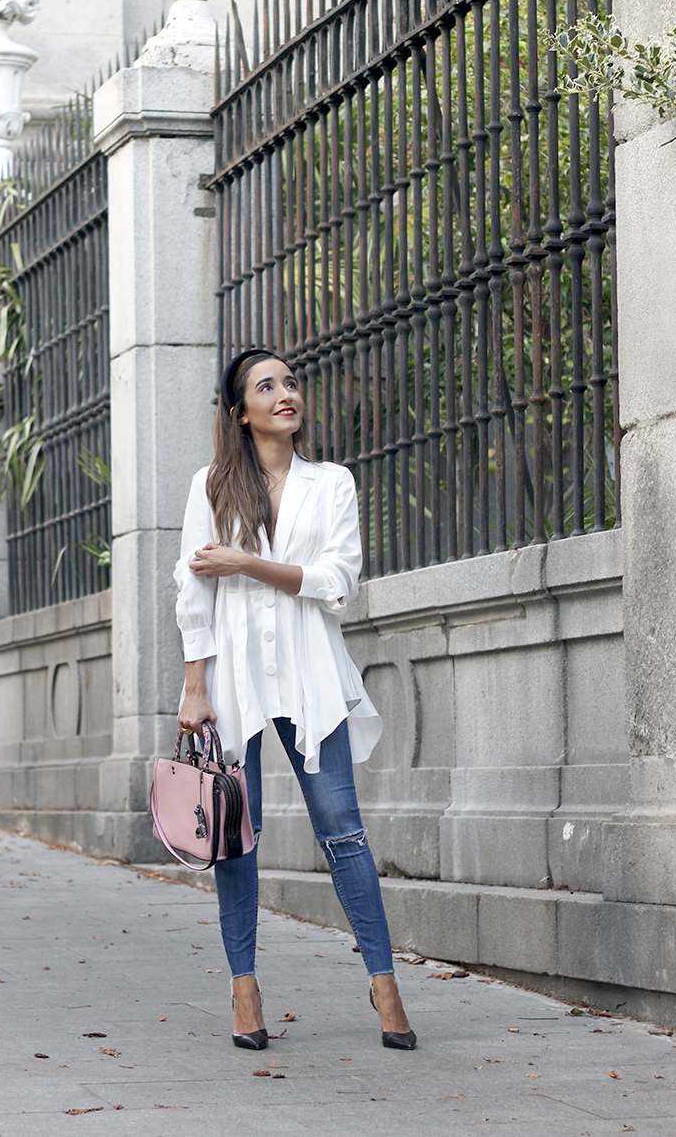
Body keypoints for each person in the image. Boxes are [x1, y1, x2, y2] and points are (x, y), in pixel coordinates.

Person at [173, 348, 416, 1052]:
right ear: (241, 411)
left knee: (342, 828)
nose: (286, 394)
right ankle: (244, 990)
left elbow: (338, 582)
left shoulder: (331, 483)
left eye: (290, 382)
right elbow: (195, 590)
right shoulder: (211, 486)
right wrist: (194, 686)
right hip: (233, 675)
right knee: (234, 837)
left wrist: (247, 562)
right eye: (267, 386)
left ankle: (384, 981)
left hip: (312, 672)